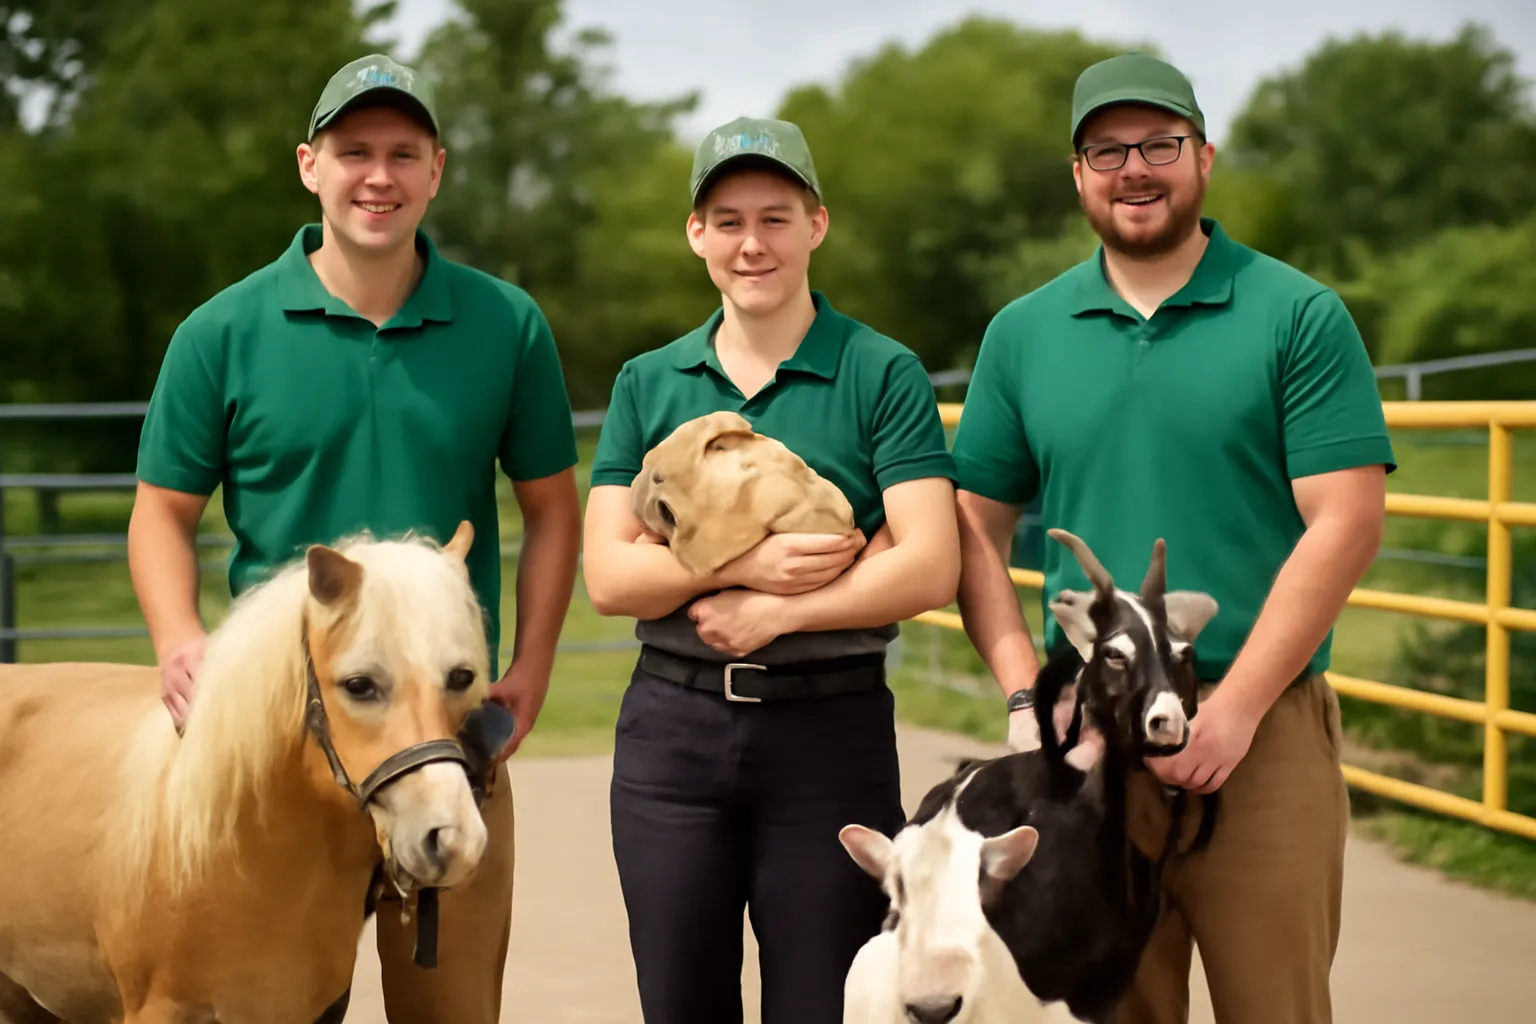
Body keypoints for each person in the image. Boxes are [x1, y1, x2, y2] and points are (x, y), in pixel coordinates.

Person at [126, 52, 583, 1023]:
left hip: (447, 735)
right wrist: (178, 638)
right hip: (281, 744)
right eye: (354, 151)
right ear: (309, 165)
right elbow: (161, 512)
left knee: (453, 1014)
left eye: (403, 153)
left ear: (436, 170)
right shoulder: (221, 331)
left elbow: (551, 507)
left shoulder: (507, 324)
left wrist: (532, 665)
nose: (379, 175)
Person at [951, 52, 1395, 1024]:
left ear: (1203, 155)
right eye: (1105, 149)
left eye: (1159, 143)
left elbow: (1348, 520)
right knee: (1118, 1008)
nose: (1134, 168)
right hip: (1092, 744)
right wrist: (1027, 697)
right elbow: (972, 531)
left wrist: (1233, 708)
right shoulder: (1024, 334)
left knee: (1275, 1005)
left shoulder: (1297, 314)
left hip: (1260, 724)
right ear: (1077, 174)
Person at [581, 115, 961, 1024]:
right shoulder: (650, 380)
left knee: (823, 1008)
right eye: (728, 219)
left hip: (830, 733)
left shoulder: (882, 371)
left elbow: (930, 565)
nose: (752, 243)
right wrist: (749, 562)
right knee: (680, 1005)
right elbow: (606, 576)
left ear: (816, 224)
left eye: (776, 217)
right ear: (697, 234)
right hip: (672, 737)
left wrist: (776, 614)